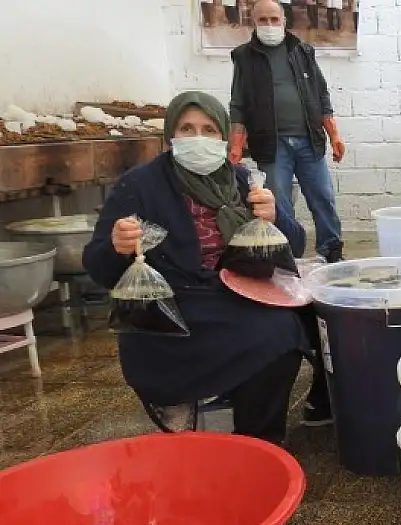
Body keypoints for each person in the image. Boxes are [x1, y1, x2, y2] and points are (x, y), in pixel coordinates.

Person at [82, 91, 312, 446]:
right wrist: (117, 246)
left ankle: (290, 424)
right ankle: (255, 441)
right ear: (171, 136)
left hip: (238, 288)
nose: (198, 139)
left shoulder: (241, 181)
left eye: (209, 129)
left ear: (224, 136)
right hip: (176, 303)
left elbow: (294, 247)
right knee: (276, 333)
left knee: (314, 315)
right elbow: (98, 266)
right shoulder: (141, 185)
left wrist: (276, 217)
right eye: (187, 129)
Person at [230, 0, 347, 264]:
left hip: (310, 141)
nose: (269, 25)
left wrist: (334, 135)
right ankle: (287, 255)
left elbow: (322, 95)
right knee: (279, 204)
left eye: (274, 19)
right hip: (272, 145)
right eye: (263, 20)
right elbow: (238, 103)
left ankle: (332, 252)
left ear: (284, 21)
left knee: (323, 198)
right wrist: (235, 144)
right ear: (253, 22)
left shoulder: (303, 51)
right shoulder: (243, 57)